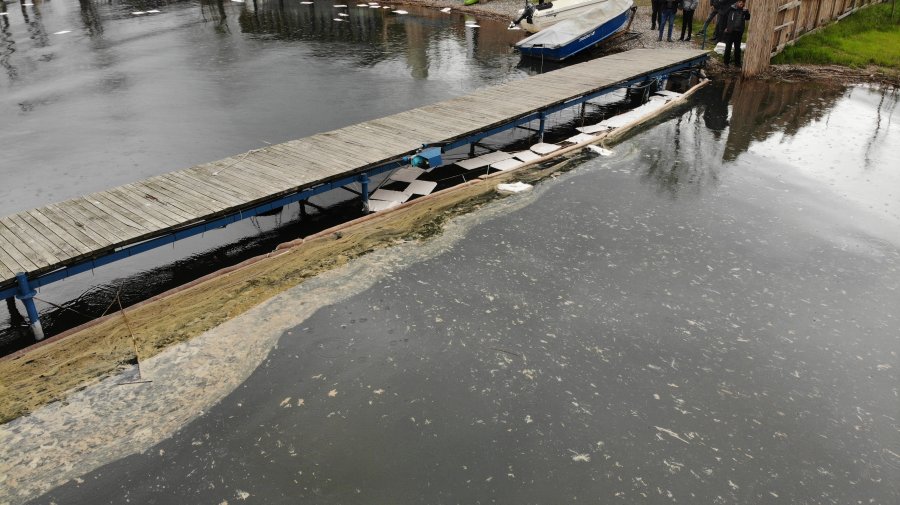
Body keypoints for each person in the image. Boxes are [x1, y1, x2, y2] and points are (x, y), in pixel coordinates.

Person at [723, 0, 750, 67]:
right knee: (728, 47)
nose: (742, 3)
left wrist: (746, 12)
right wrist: (726, 27)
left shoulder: (744, 11)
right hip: (730, 31)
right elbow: (724, 16)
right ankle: (726, 62)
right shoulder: (731, 9)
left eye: (743, 2)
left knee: (737, 48)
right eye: (740, 2)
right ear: (737, 2)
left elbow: (747, 18)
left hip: (739, 32)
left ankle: (737, 63)